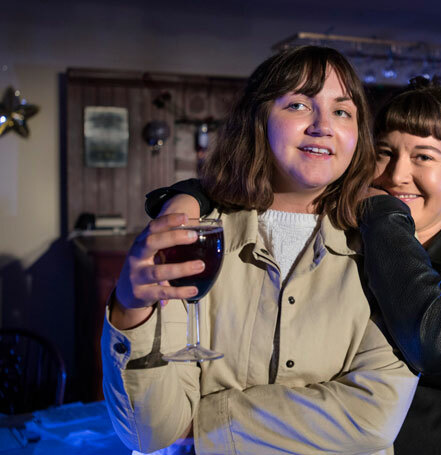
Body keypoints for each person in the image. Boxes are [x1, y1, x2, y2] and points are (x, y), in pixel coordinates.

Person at [151, 77, 441, 454]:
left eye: (423, 157)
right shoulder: (354, 219)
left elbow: (439, 344)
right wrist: (188, 196)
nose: (396, 175)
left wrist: (385, 213)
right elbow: (265, 180)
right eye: (385, 153)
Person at [101, 46, 418, 455]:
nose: (323, 126)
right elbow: (152, 433)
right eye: (300, 105)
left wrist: (210, 422)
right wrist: (130, 310)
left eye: (342, 111)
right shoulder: (192, 236)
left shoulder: (384, 247)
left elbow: (373, 418)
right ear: (260, 117)